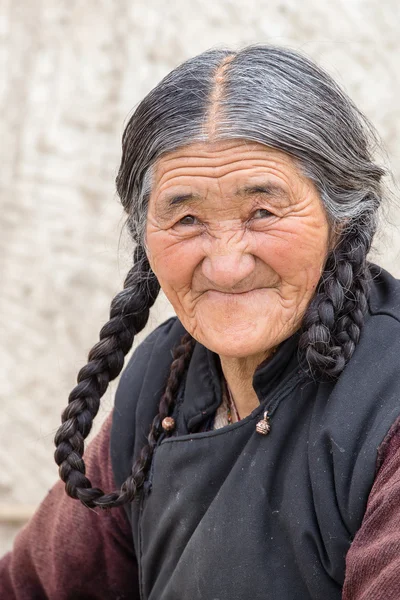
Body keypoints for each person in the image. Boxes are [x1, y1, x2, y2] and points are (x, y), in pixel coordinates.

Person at [1, 45, 400, 600]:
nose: (227, 264)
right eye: (186, 218)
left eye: (262, 212)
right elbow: (30, 587)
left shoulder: (387, 399)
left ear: (343, 218)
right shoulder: (165, 378)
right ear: (145, 236)